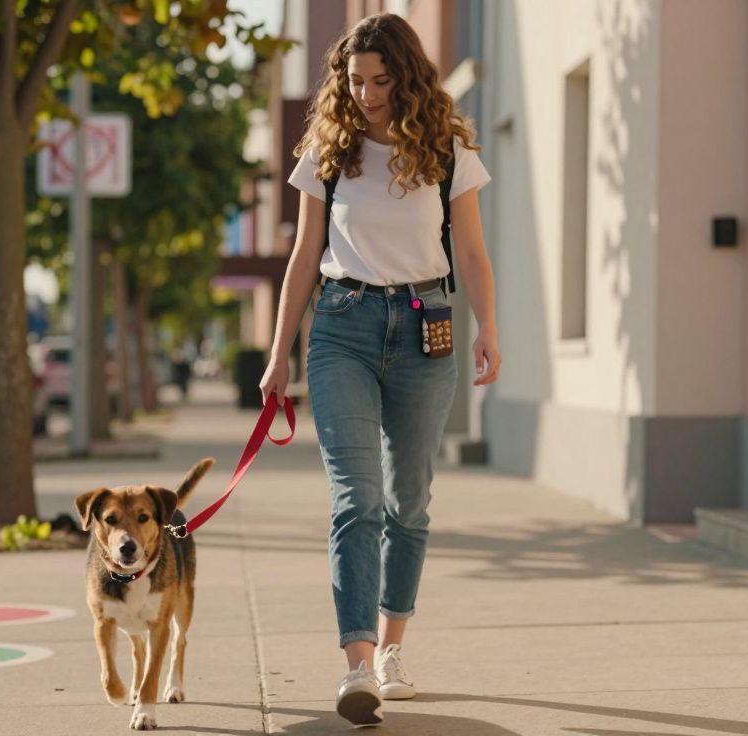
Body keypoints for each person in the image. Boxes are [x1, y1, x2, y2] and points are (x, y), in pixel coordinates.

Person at [257, 13, 501, 727]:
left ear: (407, 76)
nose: (366, 94)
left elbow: (473, 251)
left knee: (408, 502)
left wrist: (489, 329)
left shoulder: (447, 148)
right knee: (355, 499)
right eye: (356, 80)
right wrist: (278, 354)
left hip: (427, 328)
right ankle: (358, 665)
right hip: (342, 328)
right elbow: (304, 256)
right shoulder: (328, 150)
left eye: (381, 80)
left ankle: (393, 650)